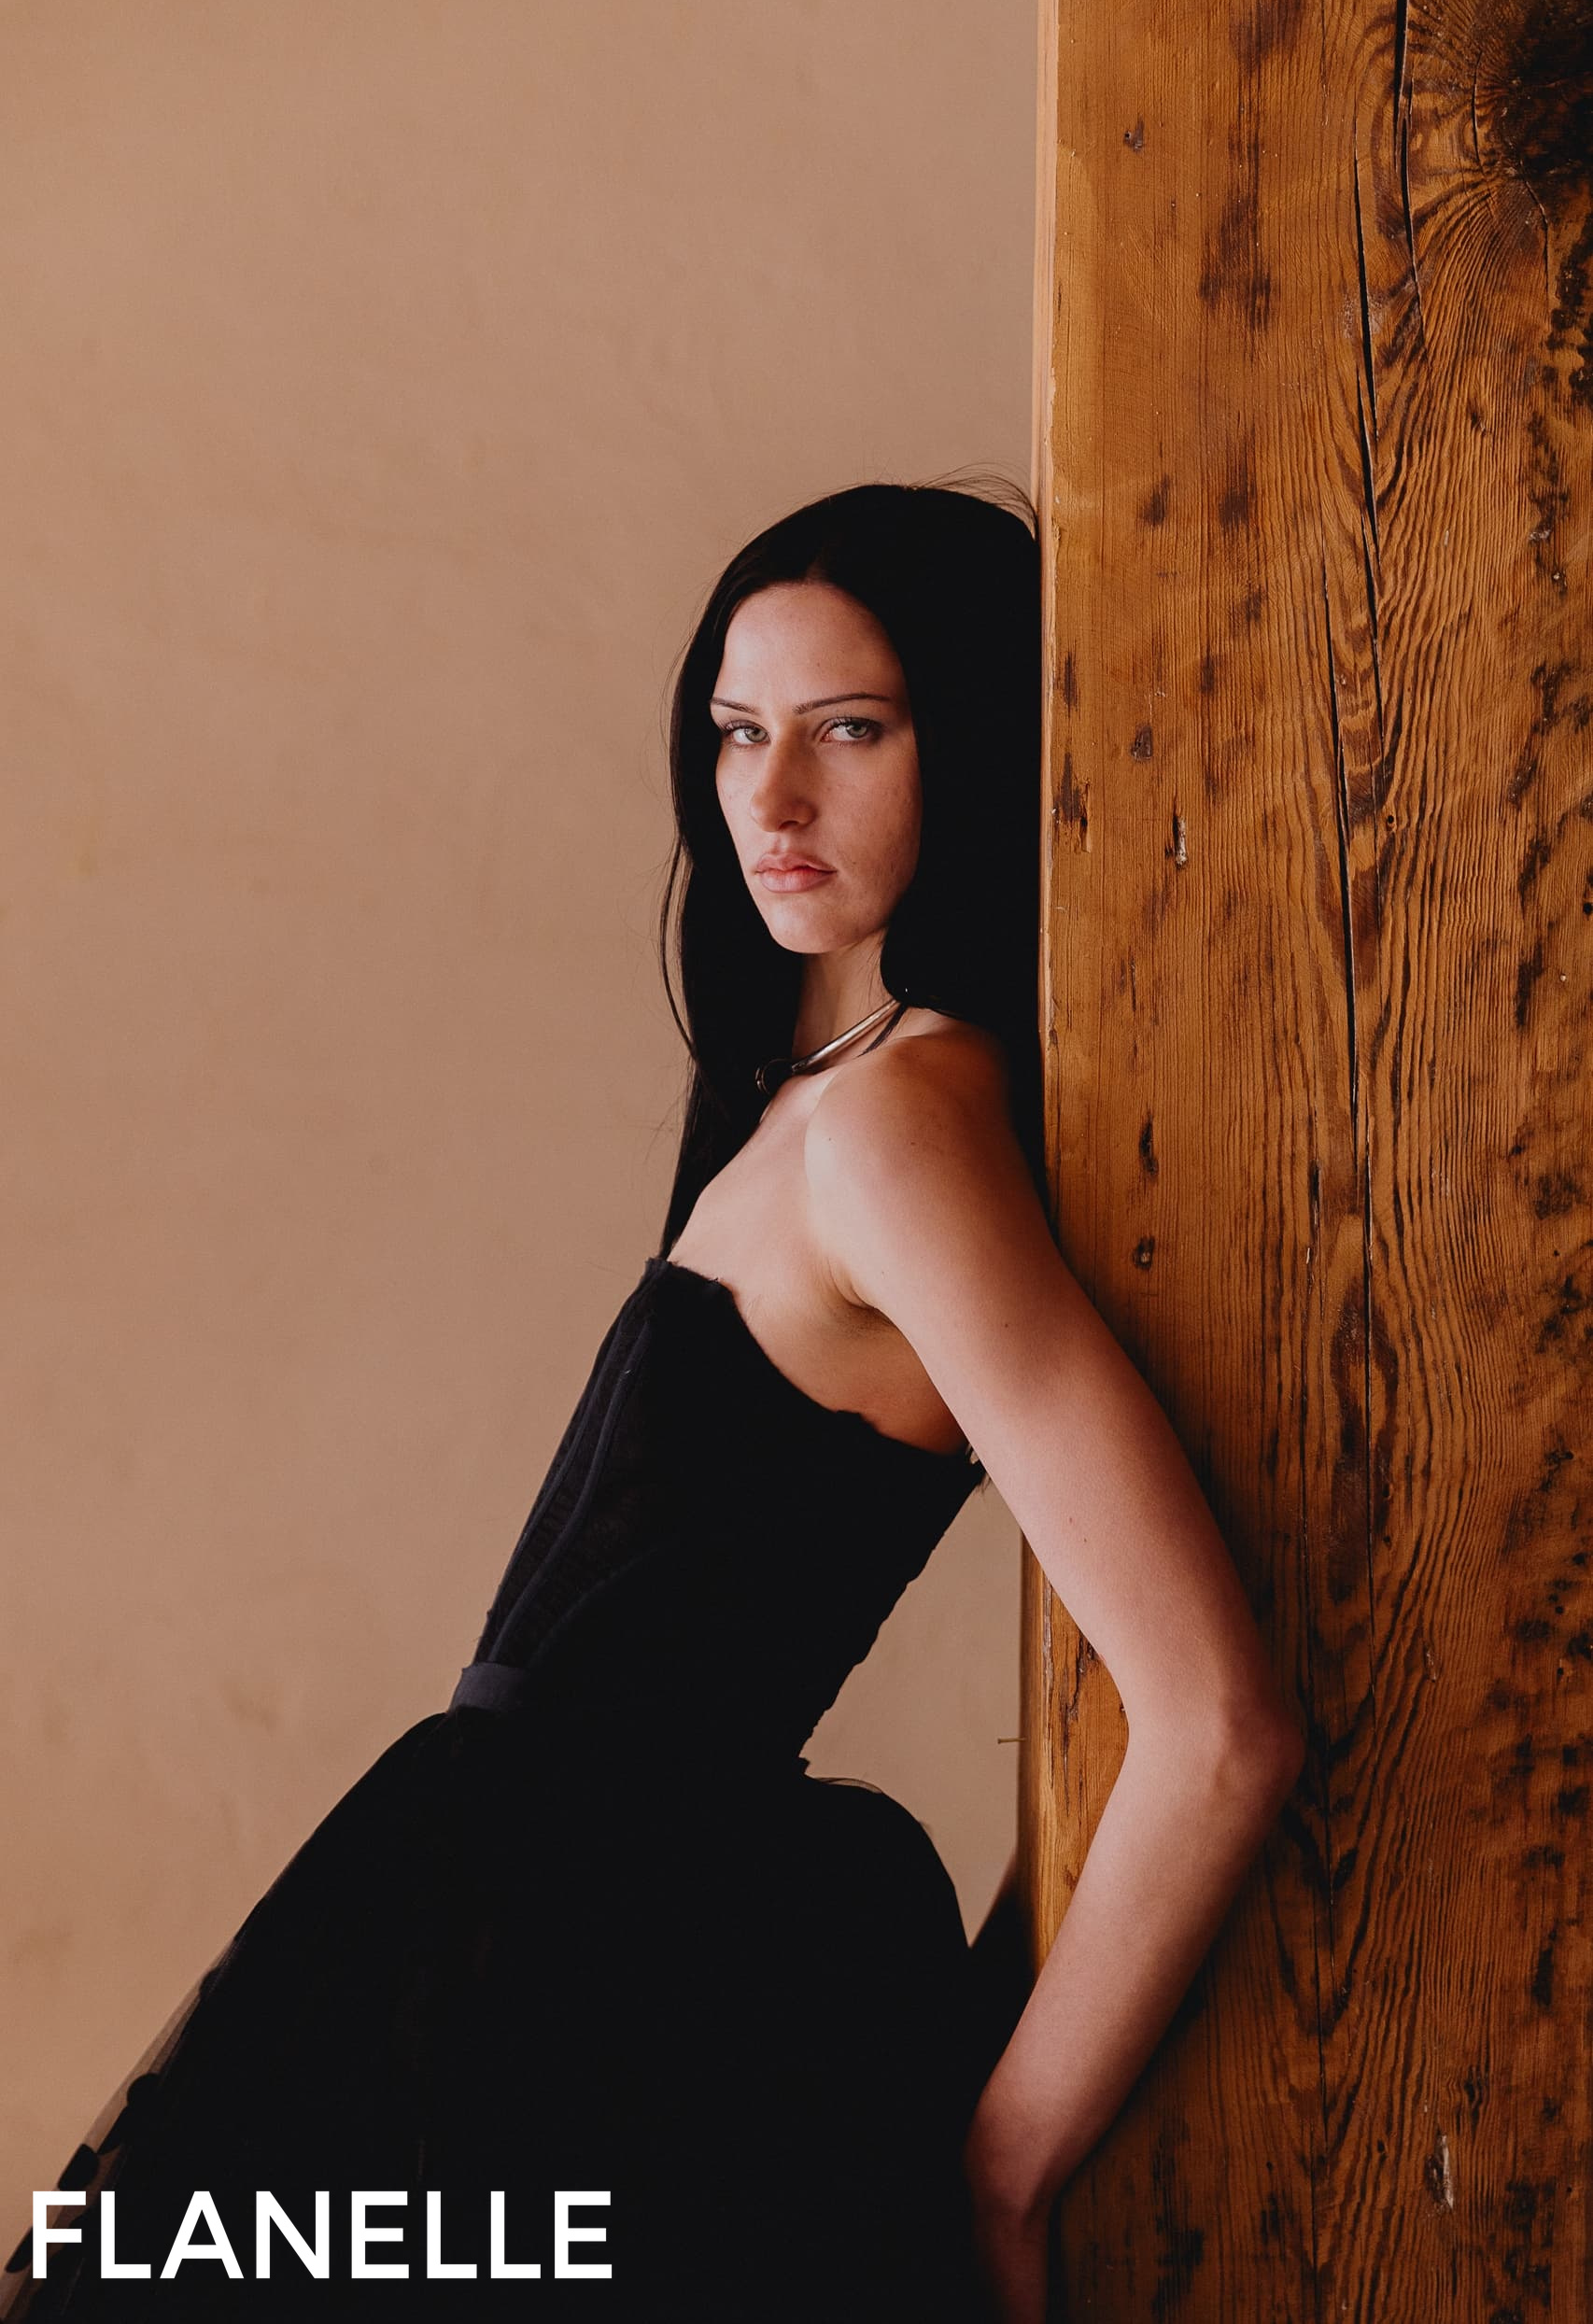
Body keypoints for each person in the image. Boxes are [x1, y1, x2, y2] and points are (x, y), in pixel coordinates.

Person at [2, 478, 1302, 2324]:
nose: (772, 799)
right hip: (518, 1934)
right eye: (735, 733)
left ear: (978, 738)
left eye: (851, 730)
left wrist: (1005, 2162)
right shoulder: (818, 1097)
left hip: (601, 1963)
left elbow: (1218, 1719)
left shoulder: (898, 1135)